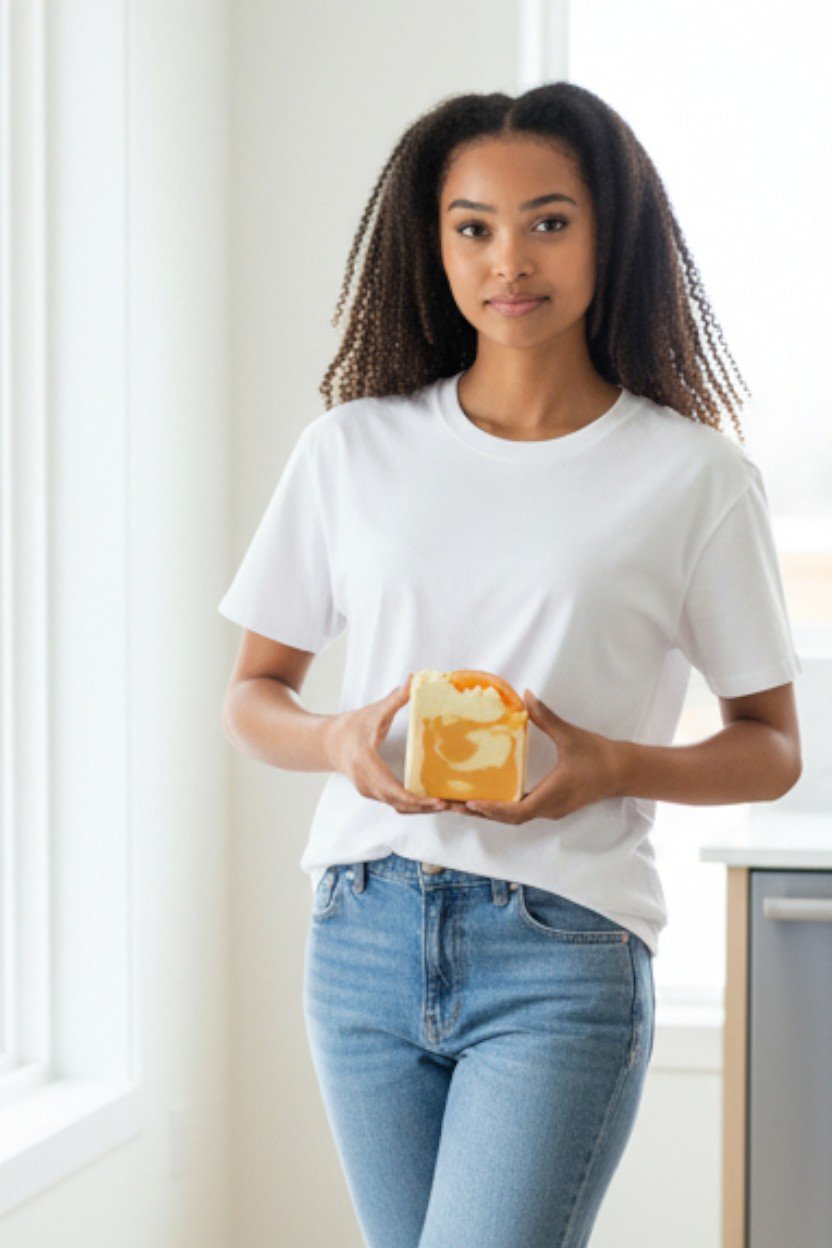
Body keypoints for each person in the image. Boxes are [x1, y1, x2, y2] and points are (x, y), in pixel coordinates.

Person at [219, 81, 803, 1247]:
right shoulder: (350, 450)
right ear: (432, 244)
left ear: (608, 233)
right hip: (362, 932)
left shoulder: (691, 479)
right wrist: (338, 740)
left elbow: (771, 749)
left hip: (562, 945)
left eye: (548, 220)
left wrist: (612, 765)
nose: (508, 259)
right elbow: (254, 694)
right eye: (472, 227)